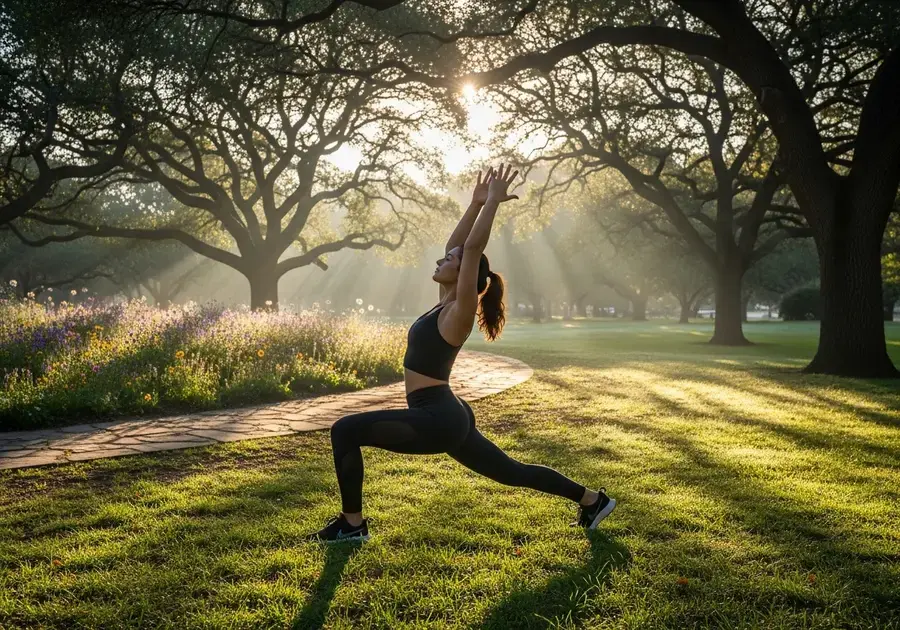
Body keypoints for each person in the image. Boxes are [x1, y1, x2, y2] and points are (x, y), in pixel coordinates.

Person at [307, 165, 615, 543]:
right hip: (446, 413)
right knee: (512, 472)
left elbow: (470, 248)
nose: (439, 262)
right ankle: (592, 500)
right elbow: (456, 246)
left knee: (344, 430)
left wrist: (493, 207)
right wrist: (474, 204)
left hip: (438, 416)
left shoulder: (460, 310)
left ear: (466, 274)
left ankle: (351, 526)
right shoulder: (445, 303)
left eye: (448, 262)